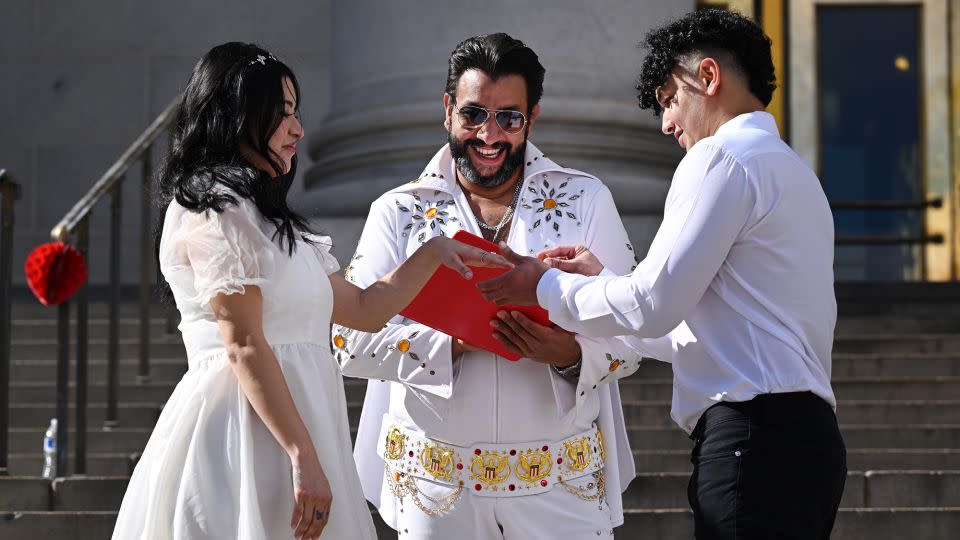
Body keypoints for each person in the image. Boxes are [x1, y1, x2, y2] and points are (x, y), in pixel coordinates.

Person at [111, 42, 508, 540]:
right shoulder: (214, 207)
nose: (297, 129)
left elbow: (364, 309)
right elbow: (244, 343)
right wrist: (302, 456)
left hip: (304, 431)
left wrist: (433, 253)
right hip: (244, 434)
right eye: (281, 115)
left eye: (296, 112)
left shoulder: (271, 221)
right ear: (237, 116)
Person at [477, 9, 847, 540]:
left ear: (708, 77)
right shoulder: (796, 174)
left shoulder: (719, 158)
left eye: (670, 99)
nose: (667, 124)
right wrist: (599, 282)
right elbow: (691, 333)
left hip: (754, 440)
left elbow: (651, 305)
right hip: (805, 442)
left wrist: (540, 283)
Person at [335, 33, 662, 540]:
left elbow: (633, 332)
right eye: (473, 115)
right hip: (435, 486)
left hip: (561, 483)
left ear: (532, 118)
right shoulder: (398, 211)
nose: (489, 135)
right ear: (448, 111)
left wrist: (568, 354)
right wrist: (455, 340)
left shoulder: (586, 199)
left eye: (509, 118)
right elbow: (347, 342)